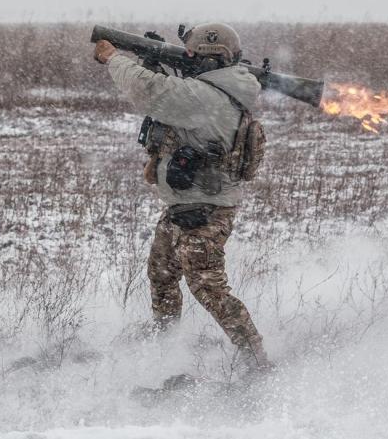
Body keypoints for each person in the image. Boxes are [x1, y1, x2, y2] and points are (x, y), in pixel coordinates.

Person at [93, 23, 271, 372]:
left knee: (208, 288)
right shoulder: (215, 89)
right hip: (185, 204)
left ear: (208, 60)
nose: (187, 58)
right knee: (161, 274)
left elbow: (151, 91)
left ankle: (257, 363)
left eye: (193, 55)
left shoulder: (206, 97)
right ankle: (167, 347)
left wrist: (114, 58)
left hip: (206, 211)